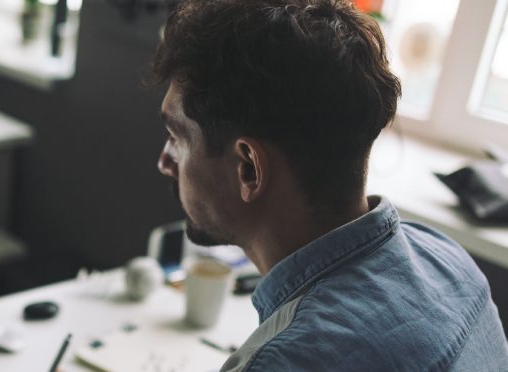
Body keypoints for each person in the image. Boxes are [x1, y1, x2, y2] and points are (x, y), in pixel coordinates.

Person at [152, 0, 508, 370]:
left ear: (248, 169)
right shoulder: (449, 261)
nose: (165, 161)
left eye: (176, 137)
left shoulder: (280, 362)